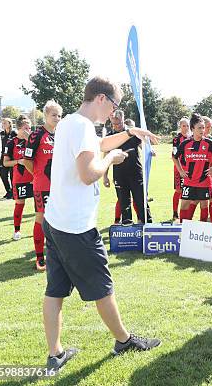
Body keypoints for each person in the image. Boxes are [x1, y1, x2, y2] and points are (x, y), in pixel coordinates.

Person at [42, 77, 161, 371]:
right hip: (76, 227)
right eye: (114, 105)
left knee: (55, 290)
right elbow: (88, 172)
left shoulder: (70, 122)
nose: (113, 112)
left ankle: (55, 353)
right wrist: (109, 160)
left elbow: (100, 143)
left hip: (56, 221)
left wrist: (130, 133)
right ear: (101, 99)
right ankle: (124, 340)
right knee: (103, 287)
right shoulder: (81, 126)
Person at [23, 100, 62, 268]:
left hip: (59, 185)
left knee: (58, 219)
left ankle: (56, 254)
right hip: (42, 185)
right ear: (45, 115)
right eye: (54, 115)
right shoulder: (36, 135)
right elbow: (26, 161)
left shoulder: (59, 134)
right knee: (41, 217)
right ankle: (39, 258)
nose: (57, 118)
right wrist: (38, 175)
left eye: (59, 115)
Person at [173, 113, 212, 222]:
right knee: (183, 205)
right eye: (199, 128)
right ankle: (184, 228)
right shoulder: (185, 143)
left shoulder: (209, 143)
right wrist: (181, 170)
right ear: (192, 129)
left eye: (203, 127)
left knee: (204, 205)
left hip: (204, 181)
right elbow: (174, 157)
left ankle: (202, 229)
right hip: (189, 181)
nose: (202, 130)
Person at [103, 110, 152, 225]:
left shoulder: (132, 133)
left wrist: (150, 151)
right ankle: (127, 226)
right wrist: (105, 176)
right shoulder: (110, 137)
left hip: (136, 173)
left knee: (141, 200)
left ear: (123, 120)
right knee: (124, 202)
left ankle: (147, 224)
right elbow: (105, 157)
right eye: (114, 124)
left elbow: (143, 145)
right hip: (119, 175)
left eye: (119, 123)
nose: (117, 126)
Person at [3, 115, 33, 249]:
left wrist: (31, 141)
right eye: (26, 128)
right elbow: (5, 163)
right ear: (19, 129)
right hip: (20, 179)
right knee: (20, 204)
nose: (29, 130)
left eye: (30, 128)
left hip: (35, 178)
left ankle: (44, 229)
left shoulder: (33, 140)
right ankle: (17, 230)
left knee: (41, 206)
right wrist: (18, 161)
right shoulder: (11, 143)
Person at [170, 118, 191, 222]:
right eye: (184, 126)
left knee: (188, 191)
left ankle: (187, 214)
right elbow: (174, 155)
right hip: (179, 169)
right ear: (180, 127)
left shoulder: (192, 137)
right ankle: (175, 212)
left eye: (187, 125)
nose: (186, 128)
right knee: (179, 191)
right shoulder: (176, 139)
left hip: (190, 169)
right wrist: (180, 168)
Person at [0, 118, 16, 199]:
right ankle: (8, 191)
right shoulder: (2, 133)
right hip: (3, 156)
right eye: (2, 123)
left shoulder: (14, 133)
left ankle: (13, 192)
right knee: (3, 175)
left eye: (5, 123)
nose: (3, 124)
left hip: (12, 157)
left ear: (10, 124)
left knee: (12, 176)